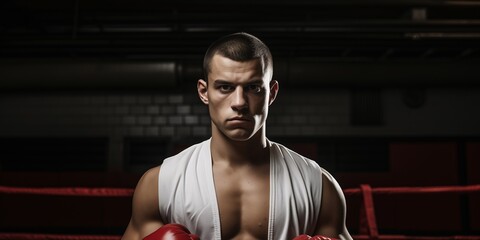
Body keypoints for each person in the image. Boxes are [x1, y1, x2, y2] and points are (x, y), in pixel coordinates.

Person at [122, 32, 353, 240]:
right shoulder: (161, 184)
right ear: (204, 92)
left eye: (253, 88)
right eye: (225, 87)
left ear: (271, 93)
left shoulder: (318, 185)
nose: (240, 103)